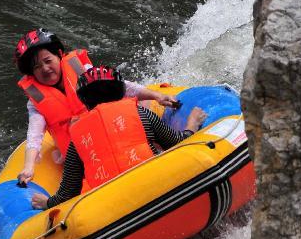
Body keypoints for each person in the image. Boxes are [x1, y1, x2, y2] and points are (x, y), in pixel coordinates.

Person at [14, 29, 180, 185]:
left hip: (115, 133)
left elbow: (121, 86)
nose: (45, 68)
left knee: (142, 110)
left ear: (59, 55)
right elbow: (34, 135)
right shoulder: (35, 102)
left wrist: (156, 96)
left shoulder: (81, 71)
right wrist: (28, 167)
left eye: (48, 61)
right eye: (37, 67)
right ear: (32, 73)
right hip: (85, 153)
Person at [30, 65, 207, 210]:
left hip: (112, 210)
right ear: (121, 92)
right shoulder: (140, 113)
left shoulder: (76, 139)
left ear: (85, 101)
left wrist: (47, 203)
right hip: (158, 190)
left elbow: (67, 193)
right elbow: (177, 143)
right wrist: (191, 124)